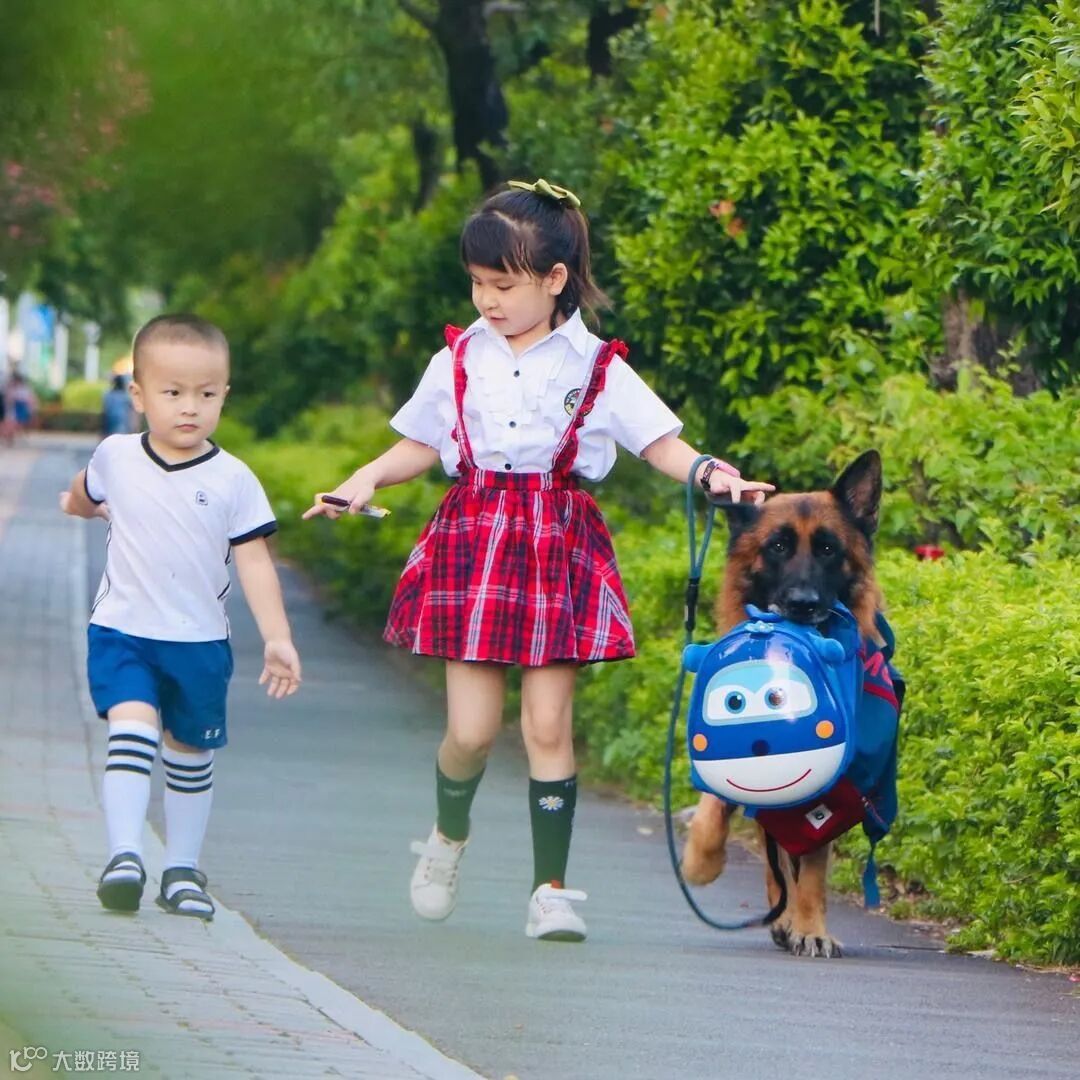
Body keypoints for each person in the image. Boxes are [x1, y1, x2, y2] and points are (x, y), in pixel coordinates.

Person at [303, 178, 774, 943]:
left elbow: (659, 442)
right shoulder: (459, 357)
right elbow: (420, 442)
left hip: (558, 544)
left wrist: (711, 474)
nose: (487, 300)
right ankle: (447, 838)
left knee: (548, 727)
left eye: (503, 284)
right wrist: (365, 479)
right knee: (471, 733)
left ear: (554, 279)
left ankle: (550, 891)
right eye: (478, 283)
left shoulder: (597, 365)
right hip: (475, 539)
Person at [60, 313, 302, 919]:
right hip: (122, 631)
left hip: (198, 642)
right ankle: (124, 857)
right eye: (172, 392)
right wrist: (78, 505)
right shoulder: (117, 455)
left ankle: (182, 871)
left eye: (206, 394)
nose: (190, 407)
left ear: (224, 395)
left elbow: (254, 563)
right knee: (132, 729)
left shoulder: (234, 479)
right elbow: (85, 490)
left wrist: (277, 638)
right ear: (139, 395)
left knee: (190, 753)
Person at [3, 370, 38, 444]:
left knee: (19, 422)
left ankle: (11, 435)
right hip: (14, 406)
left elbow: (30, 398)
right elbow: (8, 398)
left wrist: (32, 408)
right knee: (12, 422)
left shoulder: (25, 388)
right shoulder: (11, 387)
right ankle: (9, 436)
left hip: (20, 406)